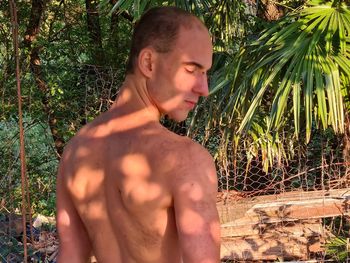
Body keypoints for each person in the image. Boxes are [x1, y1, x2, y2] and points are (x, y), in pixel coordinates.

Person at [56, 6, 220, 263]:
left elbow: (71, 257)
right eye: (191, 69)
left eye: (205, 73)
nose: (204, 88)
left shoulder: (74, 152)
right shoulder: (185, 159)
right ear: (149, 63)